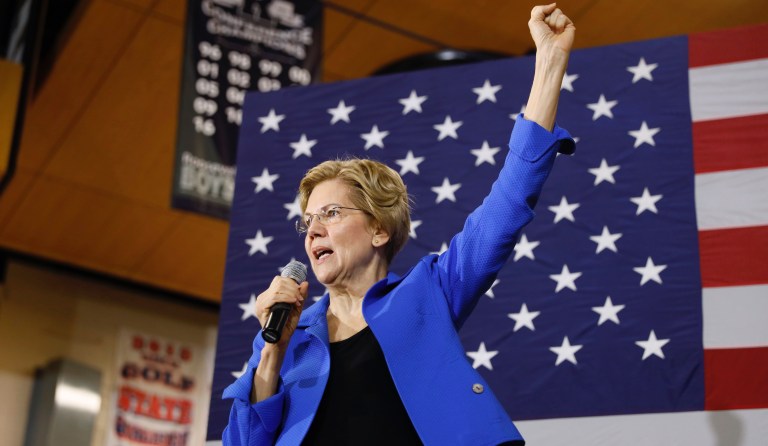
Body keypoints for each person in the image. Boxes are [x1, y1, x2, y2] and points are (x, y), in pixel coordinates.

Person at [222, 4, 576, 445]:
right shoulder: (286, 336)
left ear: (379, 229)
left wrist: (549, 61)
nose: (312, 230)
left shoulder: (426, 294)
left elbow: (504, 208)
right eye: (308, 221)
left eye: (331, 214)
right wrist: (271, 352)